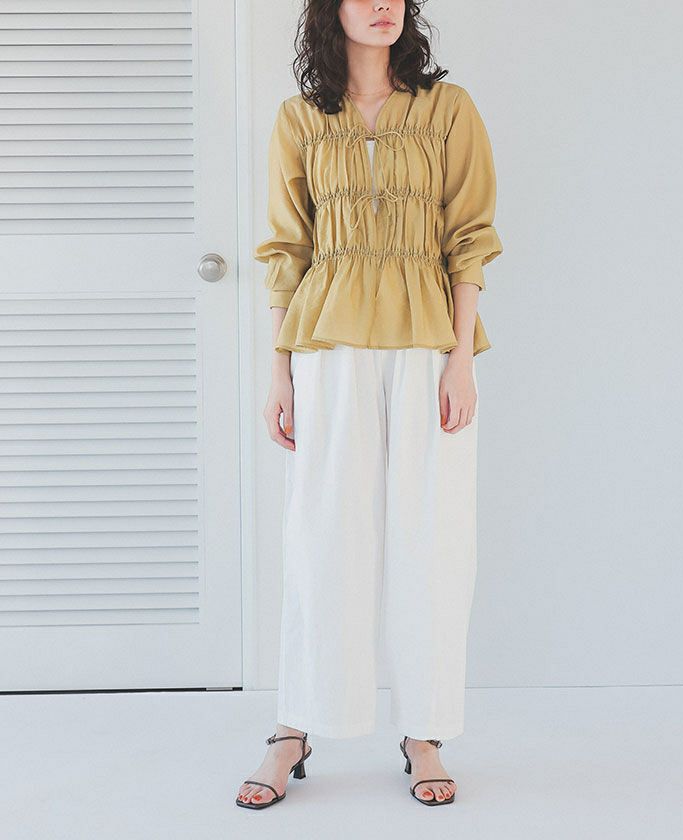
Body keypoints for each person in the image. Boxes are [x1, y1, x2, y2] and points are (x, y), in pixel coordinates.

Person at [237, 0, 503, 810]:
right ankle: (294, 726)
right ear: (333, 11)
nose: (382, 5)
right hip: (329, 345)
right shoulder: (299, 119)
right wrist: (278, 373)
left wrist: (460, 358)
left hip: (428, 344)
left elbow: (470, 234)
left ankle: (424, 731)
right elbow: (287, 249)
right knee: (321, 534)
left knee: (434, 536)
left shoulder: (448, 109)